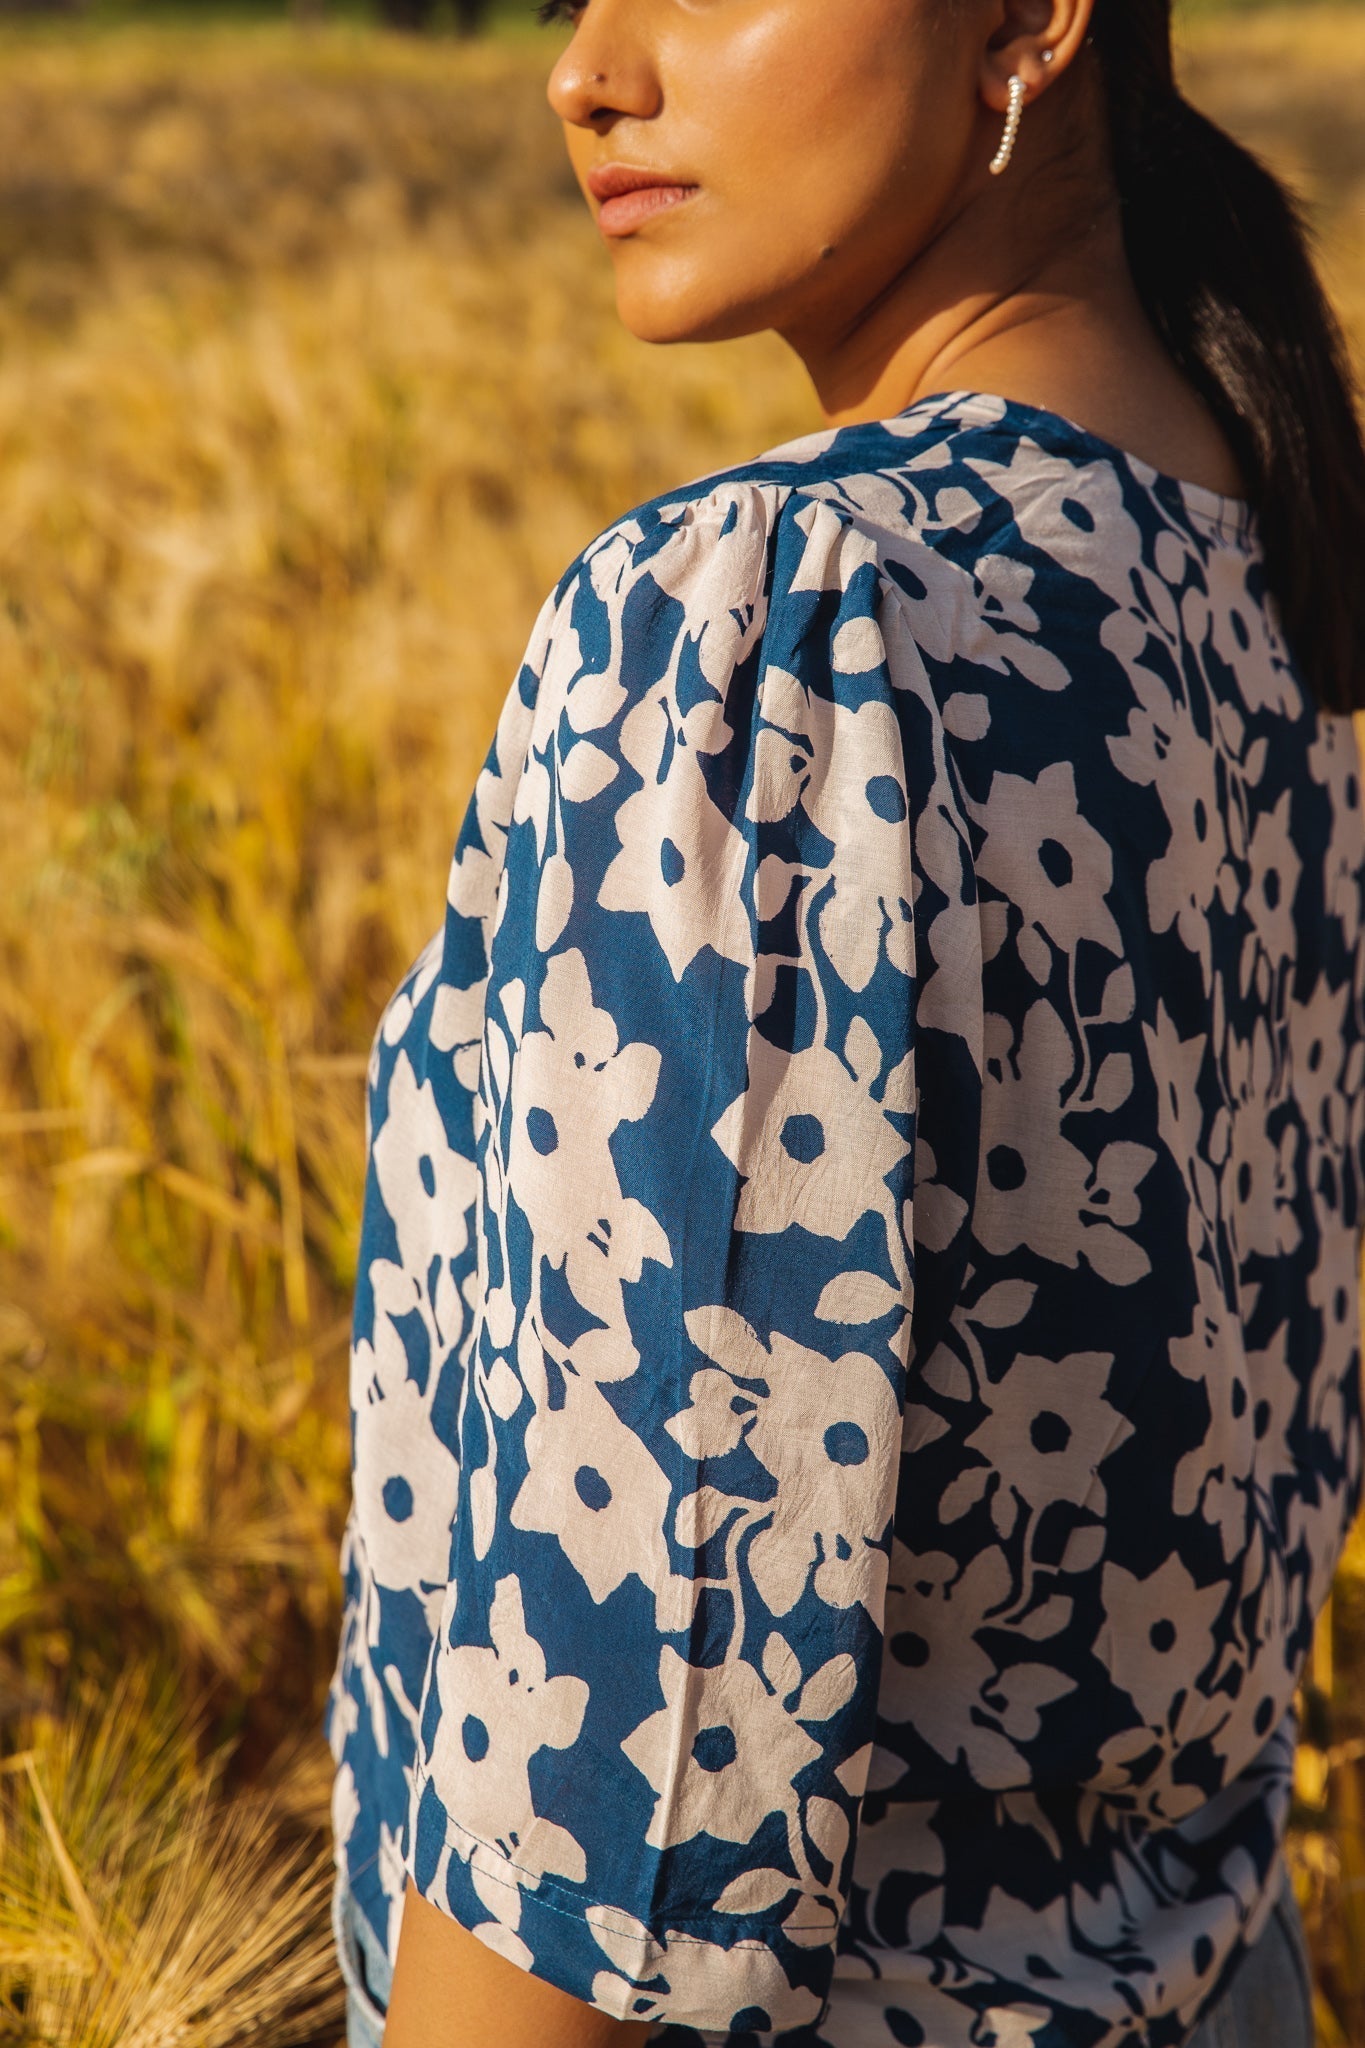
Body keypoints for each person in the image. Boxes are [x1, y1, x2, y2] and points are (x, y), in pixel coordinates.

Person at [324, 0, 1365, 2041]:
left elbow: (622, 1732)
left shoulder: (775, 608)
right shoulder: (1247, 557)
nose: (584, 71)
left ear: (1026, 17)